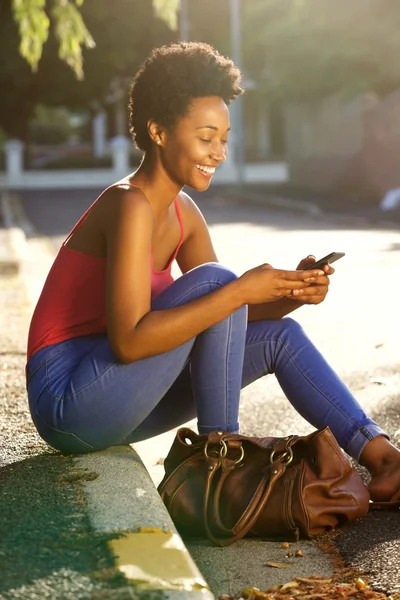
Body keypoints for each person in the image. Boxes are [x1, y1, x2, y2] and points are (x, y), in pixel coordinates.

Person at [26, 42, 400, 504]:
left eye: (224, 138)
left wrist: (289, 293)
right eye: (206, 138)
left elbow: (222, 321)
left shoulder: (184, 212)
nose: (219, 152)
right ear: (158, 131)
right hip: (68, 400)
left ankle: (383, 457)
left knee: (281, 334)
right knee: (220, 283)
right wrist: (241, 289)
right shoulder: (128, 204)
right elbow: (130, 340)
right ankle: (221, 467)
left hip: (123, 394)